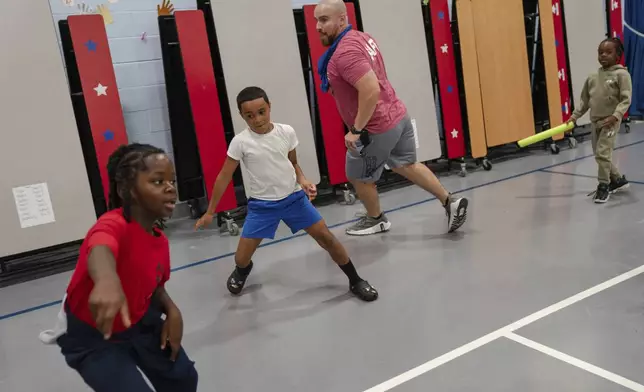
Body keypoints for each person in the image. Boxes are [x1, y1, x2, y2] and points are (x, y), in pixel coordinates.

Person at [39, 144, 198, 392]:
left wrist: (172, 309)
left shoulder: (159, 240)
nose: (170, 188)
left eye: (172, 181)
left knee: (183, 379)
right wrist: (106, 280)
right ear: (127, 190)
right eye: (157, 182)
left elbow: (154, 286)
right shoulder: (113, 224)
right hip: (92, 337)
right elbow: (101, 246)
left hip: (139, 323)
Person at [195, 86, 378, 302]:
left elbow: (292, 163)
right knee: (241, 258)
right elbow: (223, 177)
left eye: (261, 112)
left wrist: (302, 180)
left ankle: (355, 280)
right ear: (242, 116)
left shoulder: (286, 132)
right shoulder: (240, 142)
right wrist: (210, 211)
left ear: (269, 107)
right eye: (250, 116)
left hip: (294, 200)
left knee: (327, 239)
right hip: (262, 207)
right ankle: (243, 270)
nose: (257, 119)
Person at [313, 0, 468, 236]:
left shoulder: (345, 53)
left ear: (342, 20)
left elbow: (370, 89)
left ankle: (376, 219)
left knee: (357, 175)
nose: (317, 26)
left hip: (375, 127)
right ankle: (450, 201)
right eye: (316, 20)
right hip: (397, 115)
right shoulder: (360, 37)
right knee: (406, 164)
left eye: (324, 20)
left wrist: (356, 129)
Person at [569, 37, 632, 203]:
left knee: (603, 152)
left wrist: (615, 116)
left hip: (610, 121)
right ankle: (617, 180)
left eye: (608, 52)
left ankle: (603, 185)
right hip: (595, 121)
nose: (603, 55)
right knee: (599, 154)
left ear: (618, 55)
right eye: (600, 52)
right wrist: (575, 117)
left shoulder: (622, 75)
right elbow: (585, 100)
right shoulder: (592, 77)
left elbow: (625, 99)